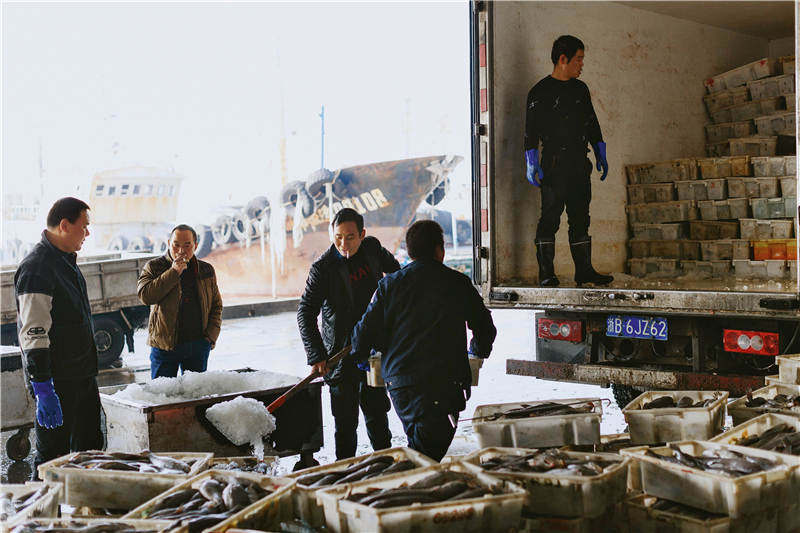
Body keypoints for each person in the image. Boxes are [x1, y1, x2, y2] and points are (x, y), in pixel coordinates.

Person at [350, 220, 496, 461]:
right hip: (446, 384)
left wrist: (365, 356)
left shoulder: (388, 285)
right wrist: (476, 352)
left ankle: (401, 487)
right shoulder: (458, 283)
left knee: (420, 450)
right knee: (424, 459)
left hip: (401, 386)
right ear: (441, 250)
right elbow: (485, 327)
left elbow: (360, 337)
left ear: (410, 252)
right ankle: (396, 489)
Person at [297, 208, 399, 460]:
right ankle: (345, 471)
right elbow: (305, 313)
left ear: (362, 234)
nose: (344, 244)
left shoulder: (373, 249)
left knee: (377, 415)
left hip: (373, 352)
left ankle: (385, 465)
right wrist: (316, 355)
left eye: (351, 237)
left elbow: (397, 275)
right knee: (345, 423)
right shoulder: (322, 268)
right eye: (338, 237)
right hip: (339, 356)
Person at [14, 197, 104, 469]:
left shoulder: (65, 262)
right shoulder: (38, 268)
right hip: (58, 383)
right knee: (53, 462)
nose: (88, 233)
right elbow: (34, 333)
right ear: (64, 225)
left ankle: (85, 510)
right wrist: (43, 387)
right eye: (84, 226)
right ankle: (38, 512)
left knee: (89, 453)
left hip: (82, 377)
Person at [525, 34, 613, 287]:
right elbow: (530, 132)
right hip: (553, 165)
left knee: (580, 218)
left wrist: (600, 150)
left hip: (578, 164)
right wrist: (531, 161)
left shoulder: (580, 89)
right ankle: (546, 274)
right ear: (563, 59)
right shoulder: (539, 92)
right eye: (578, 59)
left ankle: (584, 272)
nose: (581, 65)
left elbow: (592, 122)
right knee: (550, 219)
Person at [137, 224, 222, 378]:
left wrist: (210, 337)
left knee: (195, 395)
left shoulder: (206, 269)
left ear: (195, 246)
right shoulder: (154, 267)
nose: (181, 250)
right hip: (165, 346)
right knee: (163, 395)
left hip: (198, 345)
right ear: (169, 243)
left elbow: (216, 305)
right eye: (176, 245)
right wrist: (174, 272)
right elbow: (145, 296)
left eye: (187, 245)